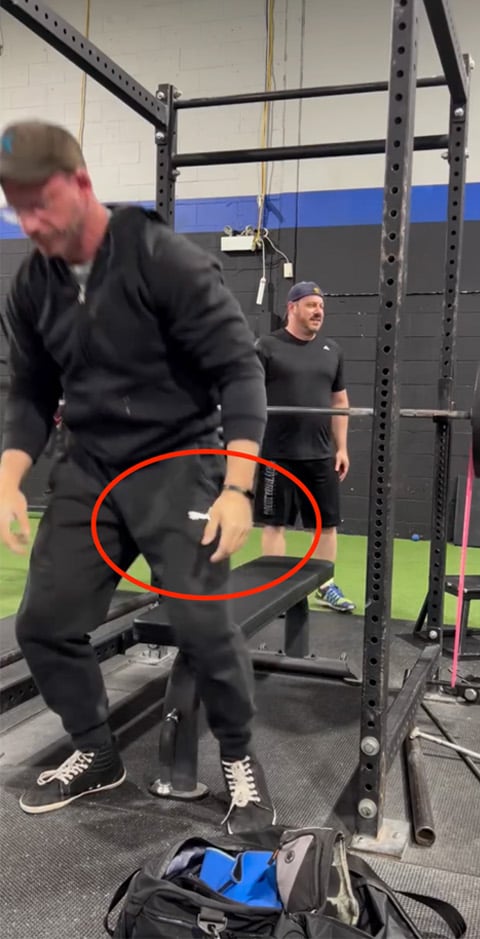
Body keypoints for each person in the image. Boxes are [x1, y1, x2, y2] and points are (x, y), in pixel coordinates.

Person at [0, 120, 278, 831]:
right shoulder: (32, 285)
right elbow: (30, 390)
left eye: (40, 204)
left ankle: (240, 759)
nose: (30, 224)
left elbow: (240, 371)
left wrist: (238, 487)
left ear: (82, 184)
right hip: (90, 466)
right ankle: (96, 750)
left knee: (200, 621)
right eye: (16, 208)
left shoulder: (163, 260)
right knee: (43, 622)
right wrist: (9, 477)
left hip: (178, 459)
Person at [256, 281, 355, 613]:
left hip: (320, 454)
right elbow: (249, 395)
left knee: (327, 525)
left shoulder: (332, 350)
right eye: (311, 305)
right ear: (292, 307)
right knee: (275, 524)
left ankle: (325, 585)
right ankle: (275, 590)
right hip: (276, 454)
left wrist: (342, 448)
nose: (318, 311)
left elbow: (339, 401)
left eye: (321, 306)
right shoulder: (267, 347)